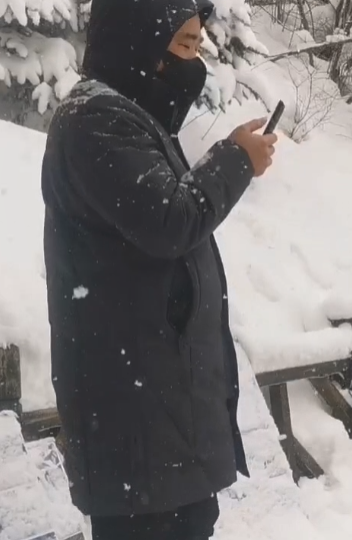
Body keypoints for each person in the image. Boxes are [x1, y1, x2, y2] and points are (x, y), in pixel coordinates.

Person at [41, 0, 277, 538]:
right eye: (185, 47)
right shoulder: (94, 122)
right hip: (136, 435)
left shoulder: (129, 120)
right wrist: (237, 160)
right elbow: (172, 220)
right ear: (136, 45)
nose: (195, 64)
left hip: (160, 428)